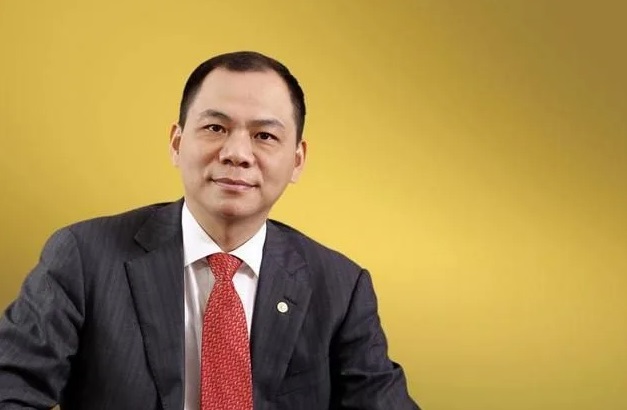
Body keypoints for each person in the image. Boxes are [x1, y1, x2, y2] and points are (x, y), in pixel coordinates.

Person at [0, 51, 420, 410]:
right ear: (177, 143)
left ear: (297, 160)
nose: (237, 153)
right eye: (215, 128)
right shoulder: (84, 257)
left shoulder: (341, 287)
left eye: (264, 135)